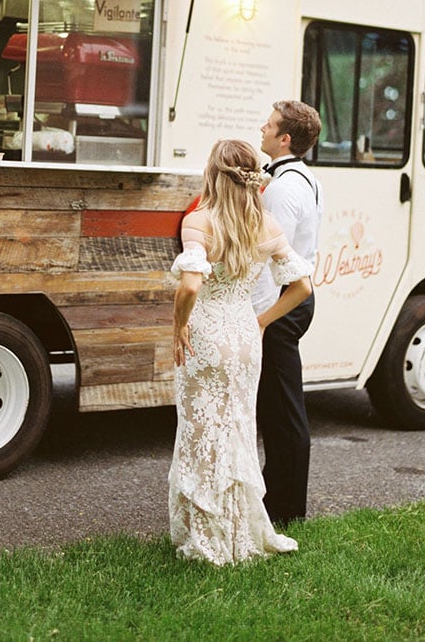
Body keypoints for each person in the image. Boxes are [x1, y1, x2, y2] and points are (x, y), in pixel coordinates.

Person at [168, 139, 312, 566]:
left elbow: (191, 285)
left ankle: (206, 536)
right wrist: (263, 320)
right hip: (246, 335)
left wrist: (179, 325)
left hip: (207, 334)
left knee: (200, 434)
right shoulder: (266, 225)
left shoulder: (199, 221)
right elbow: (302, 287)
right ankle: (238, 532)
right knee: (238, 430)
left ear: (213, 174)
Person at [253, 100, 323, 528]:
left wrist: (258, 318)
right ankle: (278, 495)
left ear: (284, 139)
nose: (261, 127)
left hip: (282, 301)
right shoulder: (305, 179)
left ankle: (286, 507)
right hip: (292, 298)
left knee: (282, 410)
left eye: (269, 124)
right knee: (277, 408)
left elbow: (267, 258)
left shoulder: (281, 188)